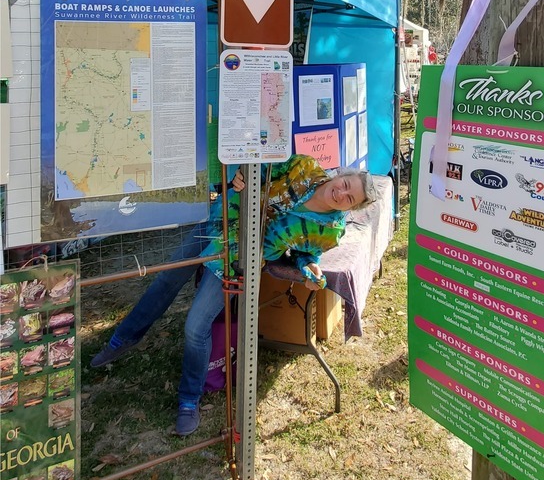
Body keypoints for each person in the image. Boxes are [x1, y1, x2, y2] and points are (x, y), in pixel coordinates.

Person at [91, 156, 377, 435]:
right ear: (341, 174)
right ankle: (123, 338)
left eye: (350, 198)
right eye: (346, 183)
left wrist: (309, 265)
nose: (341, 193)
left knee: (196, 326)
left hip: (240, 259)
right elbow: (259, 166)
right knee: (166, 279)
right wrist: (240, 175)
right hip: (220, 223)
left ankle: (189, 400)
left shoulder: (330, 231)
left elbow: (305, 252)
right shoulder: (304, 166)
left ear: (352, 208)